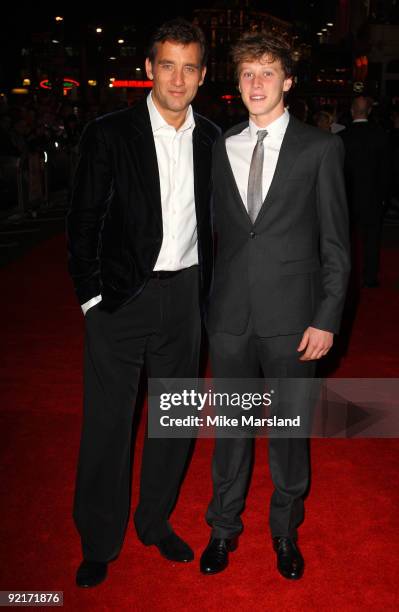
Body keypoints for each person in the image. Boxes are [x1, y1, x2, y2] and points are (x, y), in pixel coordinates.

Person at [66, 18, 219, 588]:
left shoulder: (212, 138)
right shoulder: (110, 133)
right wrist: (90, 297)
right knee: (108, 423)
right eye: (168, 65)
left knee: (173, 420)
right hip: (121, 297)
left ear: (202, 76)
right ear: (149, 69)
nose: (177, 79)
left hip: (185, 298)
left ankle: (154, 523)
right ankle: (99, 540)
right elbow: (82, 221)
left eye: (189, 67)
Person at [200, 30, 350, 579]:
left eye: (267, 72)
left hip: (295, 320)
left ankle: (285, 532)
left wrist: (327, 318)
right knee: (231, 430)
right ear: (237, 84)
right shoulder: (223, 146)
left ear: (288, 80)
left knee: (289, 433)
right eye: (247, 73)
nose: (256, 83)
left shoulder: (322, 147)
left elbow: (336, 243)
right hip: (231, 318)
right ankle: (222, 528)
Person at [340, 96, 390, 287]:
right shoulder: (380, 135)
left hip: (347, 198)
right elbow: (386, 171)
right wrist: (384, 198)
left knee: (346, 240)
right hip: (373, 197)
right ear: (369, 111)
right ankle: (370, 277)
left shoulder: (342, 138)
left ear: (352, 111)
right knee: (372, 240)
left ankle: (346, 277)